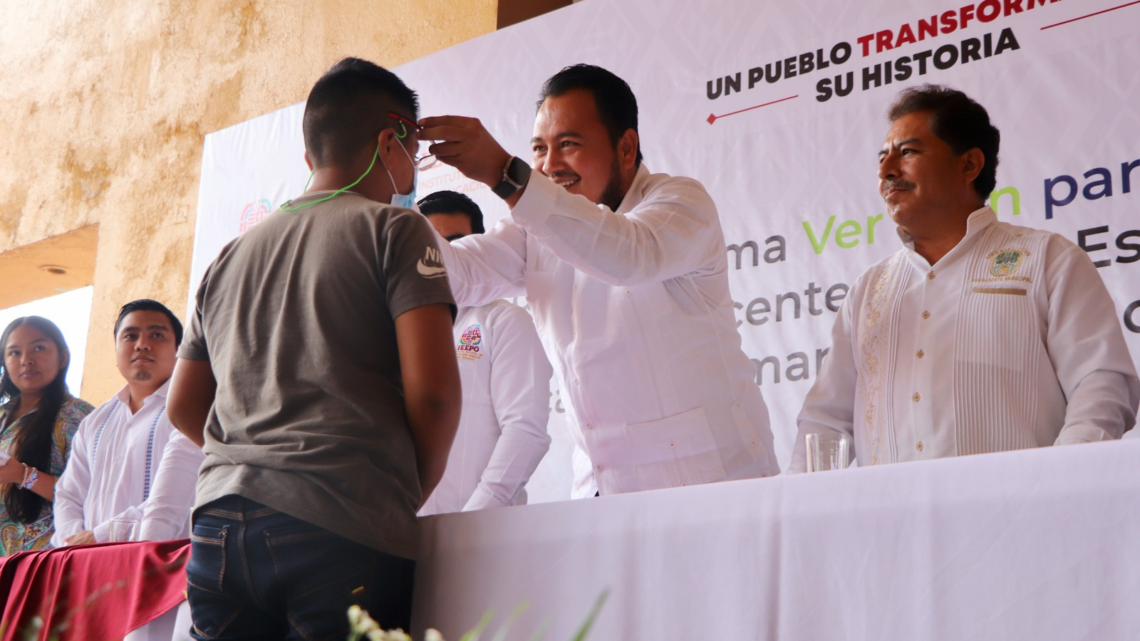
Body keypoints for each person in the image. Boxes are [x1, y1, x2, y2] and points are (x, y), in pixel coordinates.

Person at [167, 57, 460, 639]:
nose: (413, 170)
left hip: (218, 526)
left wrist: (256, 457)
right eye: (414, 153)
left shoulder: (229, 256)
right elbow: (433, 397)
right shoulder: (396, 230)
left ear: (310, 156)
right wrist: (399, 491)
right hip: (342, 522)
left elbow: (182, 407)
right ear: (389, 141)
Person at [419, 64, 780, 498]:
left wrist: (503, 172)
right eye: (538, 150)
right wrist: (385, 201)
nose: (549, 166)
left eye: (568, 144)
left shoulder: (681, 202)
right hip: (599, 493)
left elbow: (628, 254)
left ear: (626, 148)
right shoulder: (533, 227)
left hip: (715, 487)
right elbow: (453, 276)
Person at [789, 84, 1139, 471]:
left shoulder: (1046, 259)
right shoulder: (868, 290)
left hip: (1020, 522)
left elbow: (1101, 385)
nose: (886, 170)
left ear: (969, 165)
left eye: (907, 152)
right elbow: (825, 424)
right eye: (882, 157)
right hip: (891, 526)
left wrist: (1055, 487)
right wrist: (798, 515)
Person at [417, 190, 553, 515]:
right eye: (431, 246)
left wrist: (473, 521)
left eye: (456, 244)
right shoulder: (394, 331)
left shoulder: (504, 321)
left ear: (478, 249)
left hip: (480, 534)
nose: (442, 257)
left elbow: (525, 432)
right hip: (399, 537)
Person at [52, 300, 204, 547]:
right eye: (130, 335)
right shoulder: (94, 423)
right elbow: (68, 495)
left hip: (164, 562)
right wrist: (72, 542)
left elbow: (174, 498)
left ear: (180, 350)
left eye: (157, 334)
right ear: (116, 351)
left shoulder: (192, 409)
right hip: (90, 565)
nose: (142, 344)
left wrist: (100, 536)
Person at [0, 316, 93, 555]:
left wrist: (21, 474)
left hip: (43, 562)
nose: (26, 361)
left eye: (38, 348)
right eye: (14, 352)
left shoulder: (81, 417)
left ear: (62, 357)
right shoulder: (3, 413)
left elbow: (90, 495)